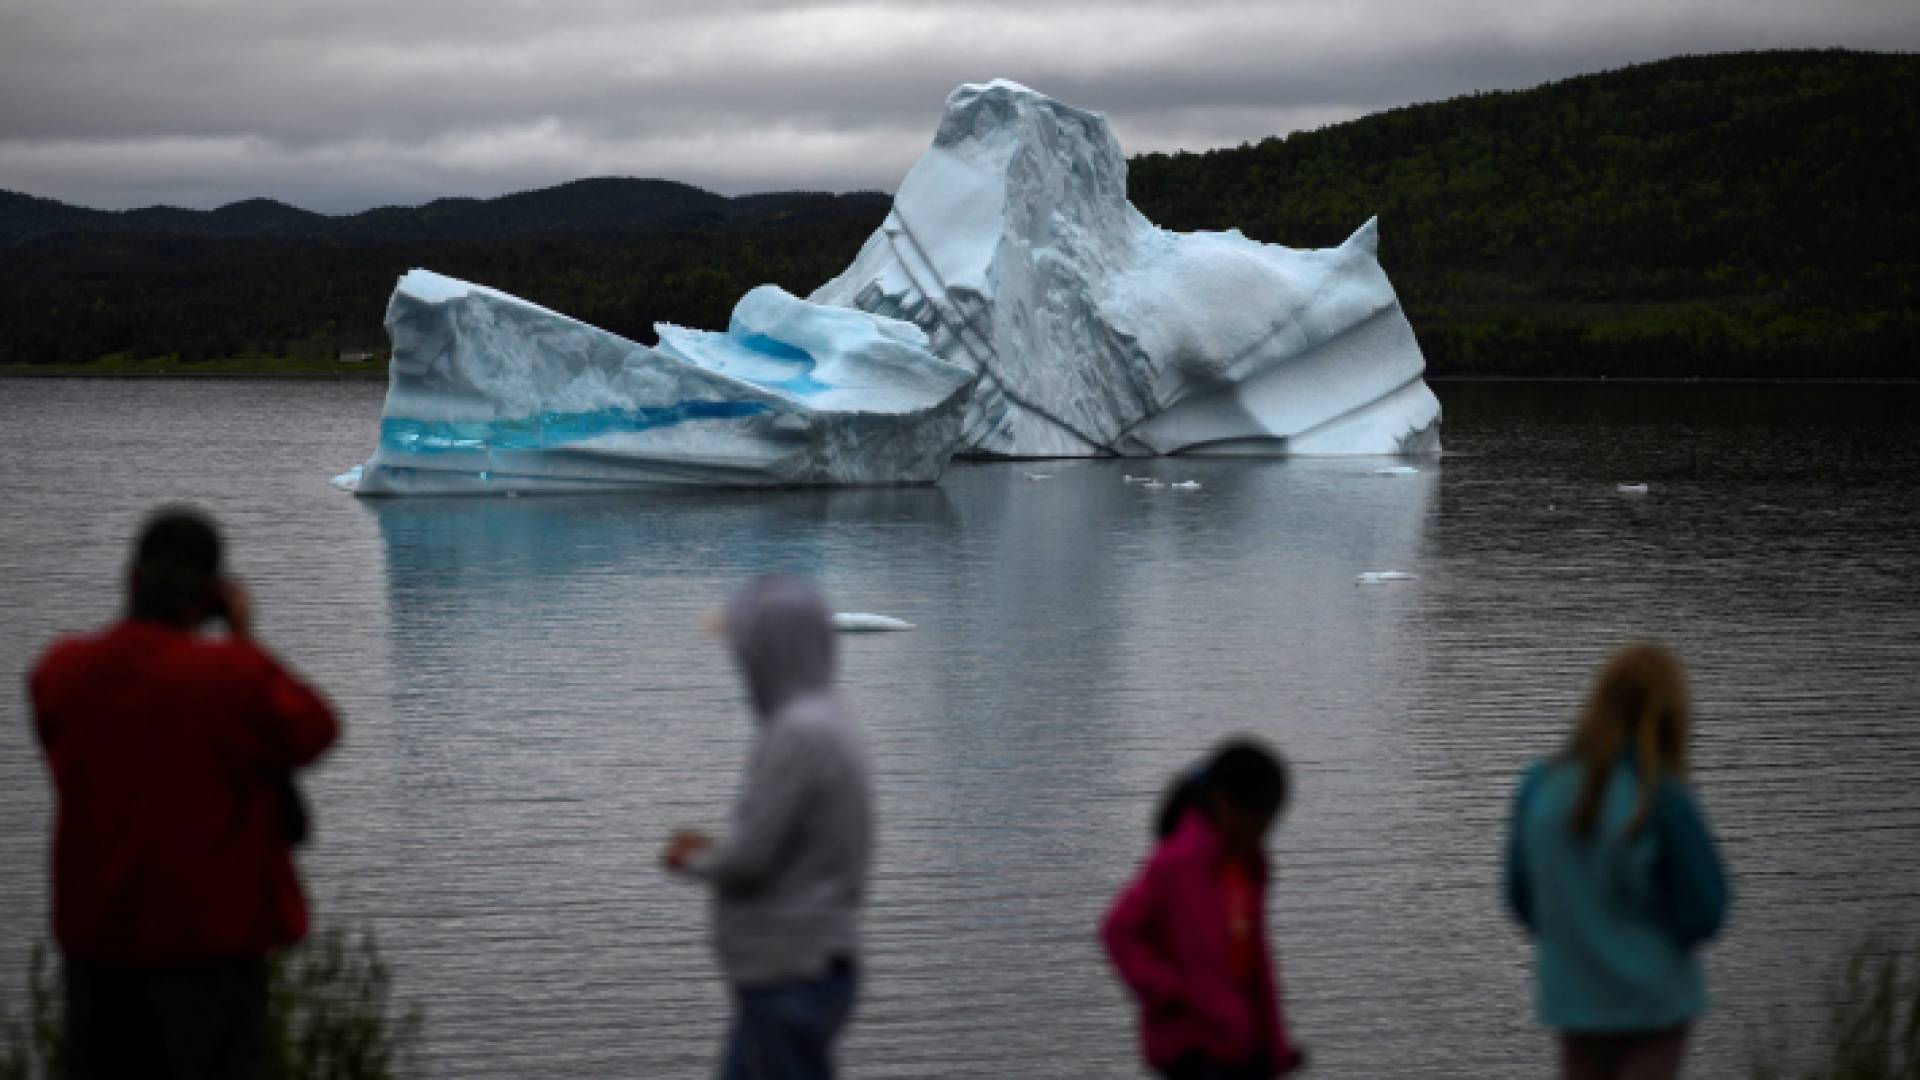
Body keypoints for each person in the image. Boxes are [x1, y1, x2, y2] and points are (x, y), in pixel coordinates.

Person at [29, 505, 339, 1080]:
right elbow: (314, 729)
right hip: (211, 958)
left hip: (99, 957)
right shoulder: (232, 680)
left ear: (131, 579)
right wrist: (242, 637)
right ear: (212, 593)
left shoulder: (60, 672)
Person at [663, 575, 872, 1080]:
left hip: (788, 969)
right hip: (808, 961)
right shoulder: (832, 719)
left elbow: (751, 857)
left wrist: (693, 857)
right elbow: (800, 844)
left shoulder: (797, 733)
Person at [1505, 642, 1729, 1080]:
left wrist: (1579, 937)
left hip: (1574, 998)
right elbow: (1706, 909)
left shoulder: (1539, 786)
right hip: (1654, 1001)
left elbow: (1522, 899)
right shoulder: (1660, 794)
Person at [1102, 739, 1303, 1079]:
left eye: (1269, 823)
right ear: (1225, 803)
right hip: (1192, 1049)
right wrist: (1168, 991)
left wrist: (1275, 1046)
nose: (1263, 833)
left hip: (1241, 1043)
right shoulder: (1178, 861)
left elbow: (1256, 963)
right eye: (1258, 820)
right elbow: (1118, 931)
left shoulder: (1248, 865)